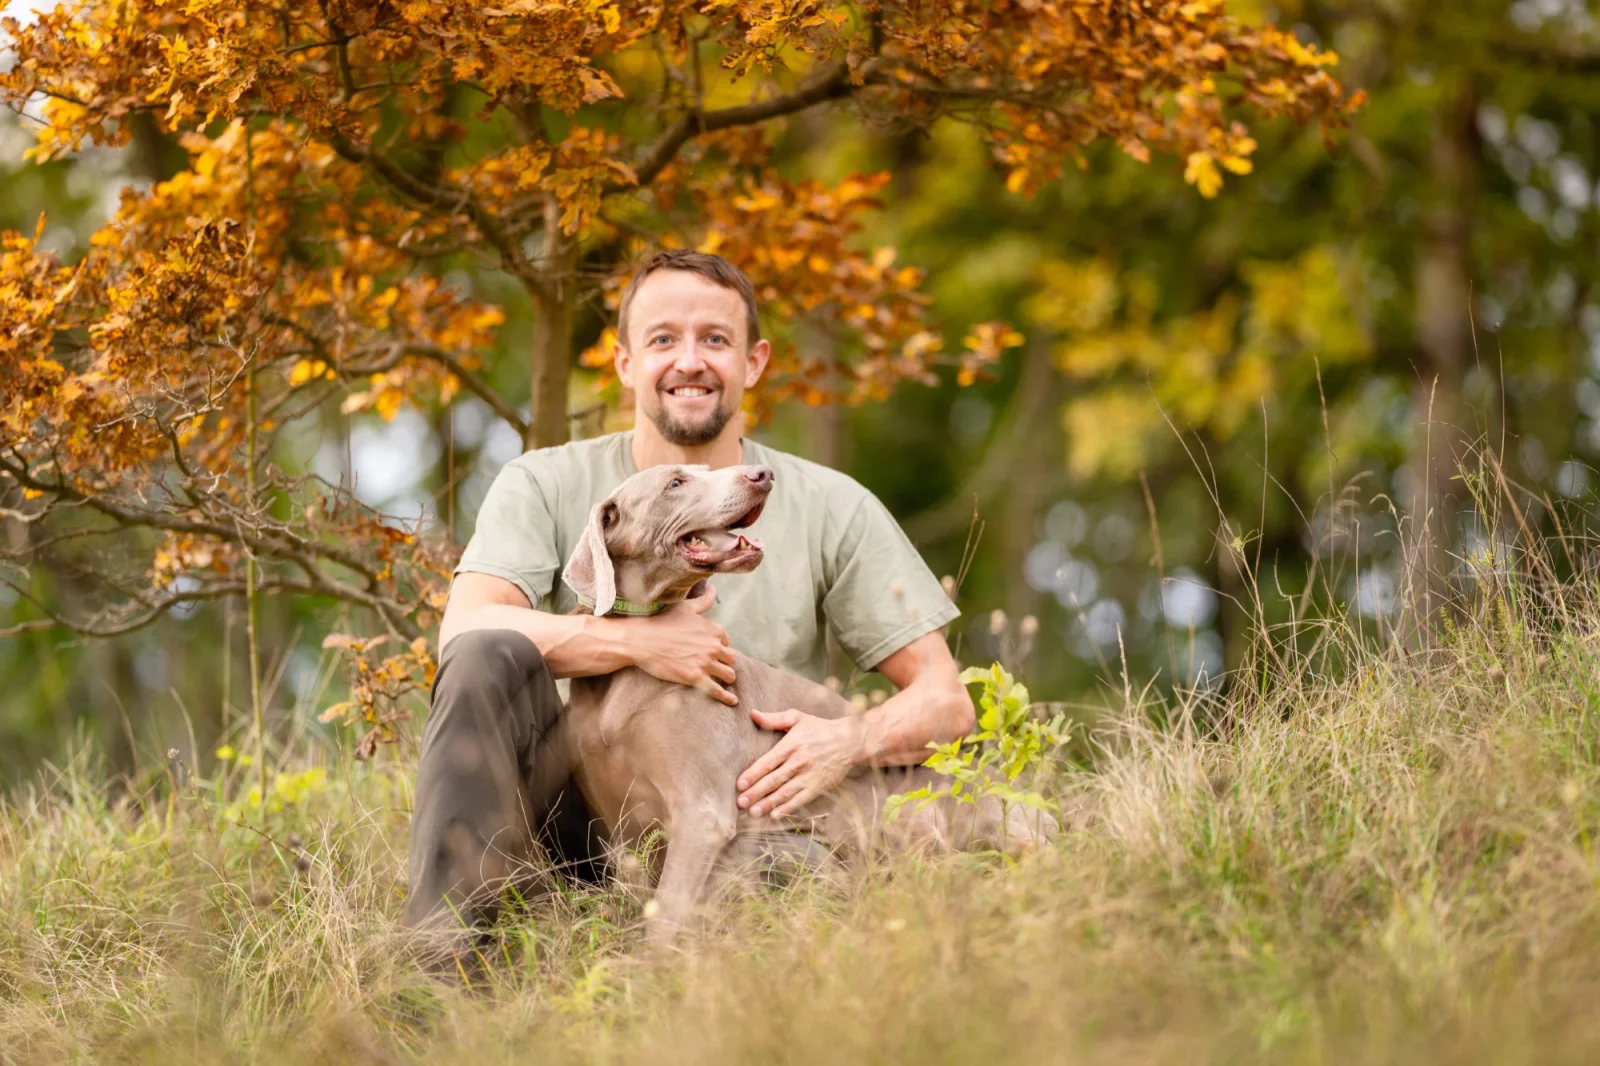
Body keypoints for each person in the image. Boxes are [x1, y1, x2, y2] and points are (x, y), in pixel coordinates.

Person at [403, 249, 972, 938]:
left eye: (716, 340)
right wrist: (639, 641)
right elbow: (463, 631)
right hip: (574, 810)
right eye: (663, 339)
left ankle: (668, 979)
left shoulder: (831, 504)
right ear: (623, 362)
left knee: (788, 873)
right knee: (485, 653)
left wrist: (848, 741)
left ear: (753, 362)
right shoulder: (545, 483)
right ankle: (444, 955)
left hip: (736, 815)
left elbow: (946, 702)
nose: (690, 362)